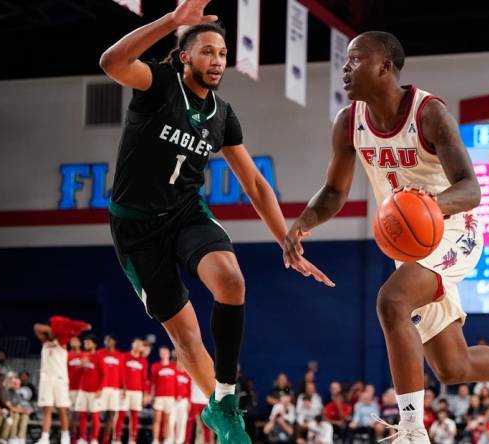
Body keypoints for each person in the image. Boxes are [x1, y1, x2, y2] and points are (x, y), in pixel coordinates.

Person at [282, 30, 489, 443]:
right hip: (412, 244)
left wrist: (429, 208)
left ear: (384, 66)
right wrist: (302, 223)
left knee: (391, 300)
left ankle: (412, 431)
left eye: (354, 59)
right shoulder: (349, 122)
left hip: (455, 226)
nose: (345, 68)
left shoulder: (429, 113)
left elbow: (471, 188)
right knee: (453, 367)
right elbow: (333, 192)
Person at [97, 1, 331, 441]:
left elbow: (257, 186)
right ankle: (217, 412)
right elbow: (111, 62)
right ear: (185, 56)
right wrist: (171, 21)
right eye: (207, 51)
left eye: (222, 53)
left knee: (231, 279)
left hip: (186, 213)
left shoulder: (222, 115)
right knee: (185, 338)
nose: (217, 60)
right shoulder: (159, 84)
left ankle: (226, 402)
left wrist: (287, 241)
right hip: (136, 228)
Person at [34, 317, 90, 444]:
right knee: (46, 410)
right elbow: (36, 326)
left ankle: (65, 438)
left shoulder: (62, 342)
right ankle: (44, 438)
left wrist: (58, 329)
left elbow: (71, 328)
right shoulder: (45, 341)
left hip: (60, 379)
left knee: (62, 410)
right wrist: (51, 329)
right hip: (46, 379)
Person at [118, 338, 148, 444]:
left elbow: (144, 379)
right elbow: (120, 373)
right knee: (120, 415)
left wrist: (144, 394)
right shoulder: (124, 356)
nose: (138, 346)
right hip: (125, 391)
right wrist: (122, 387)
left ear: (142, 348)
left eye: (141, 345)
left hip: (137, 392)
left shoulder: (143, 361)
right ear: (132, 344)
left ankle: (132, 439)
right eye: (137, 343)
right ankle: (116, 439)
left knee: (135, 416)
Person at [77, 335, 105, 444]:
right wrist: (80, 366)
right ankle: (82, 438)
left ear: (94, 344)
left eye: (88, 342)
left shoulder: (99, 357)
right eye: (85, 342)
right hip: (82, 391)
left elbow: (104, 374)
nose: (86, 344)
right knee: (82, 415)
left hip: (94, 392)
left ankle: (94, 439)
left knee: (95, 416)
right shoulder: (82, 355)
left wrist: (100, 389)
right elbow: (77, 373)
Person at [97, 335, 124, 444]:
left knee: (111, 415)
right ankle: (95, 437)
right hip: (101, 389)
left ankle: (106, 440)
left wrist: (123, 387)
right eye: (105, 340)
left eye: (109, 340)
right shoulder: (99, 353)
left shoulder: (120, 356)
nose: (107, 342)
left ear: (114, 341)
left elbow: (122, 373)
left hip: (114, 389)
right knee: (96, 414)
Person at [150, 346, 177, 444]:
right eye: (161, 352)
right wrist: (151, 395)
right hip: (159, 397)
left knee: (167, 420)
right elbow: (152, 383)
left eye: (165, 352)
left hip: (170, 397)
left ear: (169, 354)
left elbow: (176, 383)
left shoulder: (174, 367)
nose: (163, 354)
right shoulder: (155, 366)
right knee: (157, 419)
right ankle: (155, 439)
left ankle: (166, 439)